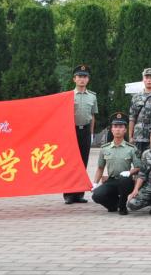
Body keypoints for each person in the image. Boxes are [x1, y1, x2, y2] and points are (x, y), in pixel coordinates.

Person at [92, 112, 141, 215]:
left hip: (126, 181)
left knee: (124, 180)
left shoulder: (131, 148)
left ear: (125, 130)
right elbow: (100, 168)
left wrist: (129, 172)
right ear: (111, 129)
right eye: (115, 126)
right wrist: (95, 183)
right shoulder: (105, 148)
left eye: (121, 126)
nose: (118, 129)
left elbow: (138, 167)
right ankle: (115, 205)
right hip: (112, 180)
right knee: (96, 195)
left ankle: (123, 206)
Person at [64, 64, 97, 204]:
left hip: (85, 131)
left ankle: (79, 194)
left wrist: (91, 134)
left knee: (83, 163)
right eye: (79, 77)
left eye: (85, 77)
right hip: (72, 132)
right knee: (71, 163)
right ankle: (69, 194)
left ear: (88, 79)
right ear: (74, 79)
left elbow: (93, 116)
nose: (82, 79)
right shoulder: (68, 96)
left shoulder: (93, 97)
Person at [129, 67, 151, 153]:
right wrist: (130, 136)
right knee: (137, 162)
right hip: (138, 135)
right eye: (146, 77)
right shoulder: (136, 97)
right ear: (143, 79)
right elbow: (132, 118)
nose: (149, 80)